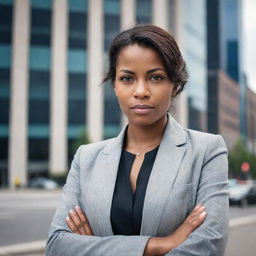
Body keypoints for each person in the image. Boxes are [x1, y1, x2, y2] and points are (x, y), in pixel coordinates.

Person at [46, 24, 229, 256]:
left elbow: (208, 246)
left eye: (156, 77)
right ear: (114, 85)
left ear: (175, 85)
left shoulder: (207, 150)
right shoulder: (86, 158)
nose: (141, 91)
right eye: (127, 78)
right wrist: (160, 245)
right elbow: (57, 245)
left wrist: (97, 249)